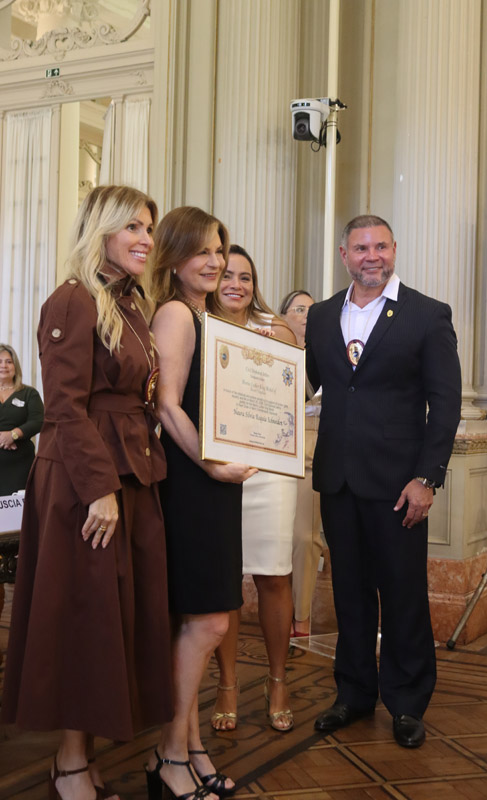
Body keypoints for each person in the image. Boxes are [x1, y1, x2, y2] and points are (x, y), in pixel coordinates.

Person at [1, 185, 174, 800]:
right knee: (83, 618)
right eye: (132, 226)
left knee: (112, 620)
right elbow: (65, 410)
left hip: (130, 470)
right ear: (100, 230)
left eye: (149, 228)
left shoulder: (129, 303)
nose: (146, 239)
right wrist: (100, 489)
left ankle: (86, 758)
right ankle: (69, 763)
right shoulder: (72, 301)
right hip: (85, 480)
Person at [307, 215, 462, 748]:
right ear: (344, 254)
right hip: (337, 480)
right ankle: (353, 694)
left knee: (402, 595)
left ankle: (407, 701)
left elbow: (444, 405)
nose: (371, 256)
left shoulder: (427, 315)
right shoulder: (323, 316)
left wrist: (427, 478)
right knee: (349, 594)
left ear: (394, 250)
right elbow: (303, 382)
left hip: (400, 485)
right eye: (360, 248)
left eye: (380, 246)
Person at [149, 209, 256, 800]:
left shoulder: (203, 315)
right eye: (203, 250)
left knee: (199, 619)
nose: (216, 260)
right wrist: (213, 464)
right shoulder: (174, 314)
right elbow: (167, 407)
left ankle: (189, 749)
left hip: (209, 481)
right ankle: (169, 752)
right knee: (209, 619)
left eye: (220, 249)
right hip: (191, 483)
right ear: (173, 255)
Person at [210, 245, 297, 733]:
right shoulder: (195, 323)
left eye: (245, 276)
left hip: (270, 467)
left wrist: (280, 353)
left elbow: (296, 394)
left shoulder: (276, 326)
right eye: (226, 275)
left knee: (274, 574)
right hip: (217, 468)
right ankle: (226, 683)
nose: (236, 284)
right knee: (225, 579)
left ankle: (278, 679)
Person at [279, 292, 322, 638]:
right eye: (300, 309)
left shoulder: (326, 355)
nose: (307, 315)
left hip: (313, 453)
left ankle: (301, 619)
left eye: (313, 309)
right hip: (274, 453)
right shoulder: (272, 352)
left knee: (304, 537)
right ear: (283, 316)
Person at [0, 344, 43, 495]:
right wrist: (3, 438)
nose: (3, 366)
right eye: (0, 362)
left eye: (8, 362)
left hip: (20, 468)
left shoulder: (29, 393)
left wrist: (13, 434)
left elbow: (38, 421)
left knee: (19, 516)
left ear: (15, 366)